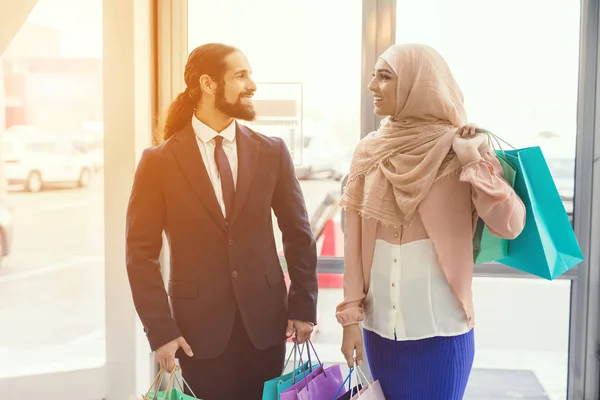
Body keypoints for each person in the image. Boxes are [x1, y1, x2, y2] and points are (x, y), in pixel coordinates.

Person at [125, 43, 318, 400]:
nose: (252, 85)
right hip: (195, 333)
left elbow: (298, 234)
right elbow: (140, 253)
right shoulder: (158, 162)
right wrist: (161, 330)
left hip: (265, 327)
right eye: (240, 75)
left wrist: (303, 306)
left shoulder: (272, 151)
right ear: (208, 84)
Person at [336, 43, 526, 399]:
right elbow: (353, 244)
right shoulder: (369, 150)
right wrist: (350, 321)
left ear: (418, 84)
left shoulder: (461, 147)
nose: (372, 86)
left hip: (442, 334)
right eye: (374, 75)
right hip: (379, 335)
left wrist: (473, 162)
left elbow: (510, 224)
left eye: (385, 76)